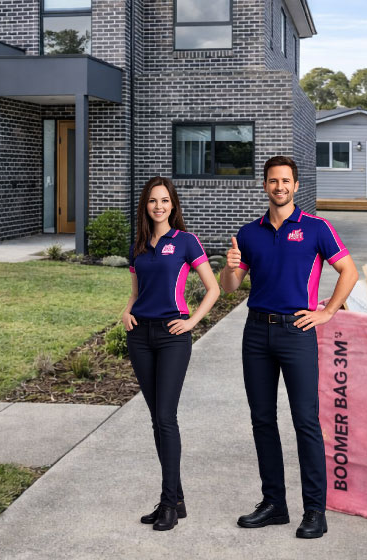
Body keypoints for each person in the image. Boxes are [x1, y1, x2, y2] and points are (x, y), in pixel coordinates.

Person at [220, 155, 358, 539]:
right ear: (264, 185)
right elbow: (231, 287)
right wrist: (230, 266)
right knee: (262, 420)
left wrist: (327, 312)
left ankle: (315, 510)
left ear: (296, 186)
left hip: (297, 333)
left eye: (285, 181)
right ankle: (274, 504)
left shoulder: (316, 228)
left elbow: (349, 270)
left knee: (305, 422)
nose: (279, 187)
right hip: (256, 334)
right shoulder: (249, 234)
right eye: (272, 181)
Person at [122, 176, 220, 531]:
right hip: (140, 336)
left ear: (173, 205)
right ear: (145, 206)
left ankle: (168, 502)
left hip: (171, 337)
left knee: (166, 417)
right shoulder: (138, 246)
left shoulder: (186, 242)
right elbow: (136, 291)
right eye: (152, 201)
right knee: (156, 419)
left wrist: (192, 321)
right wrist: (127, 310)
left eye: (164, 200)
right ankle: (175, 500)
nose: (158, 206)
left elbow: (213, 288)